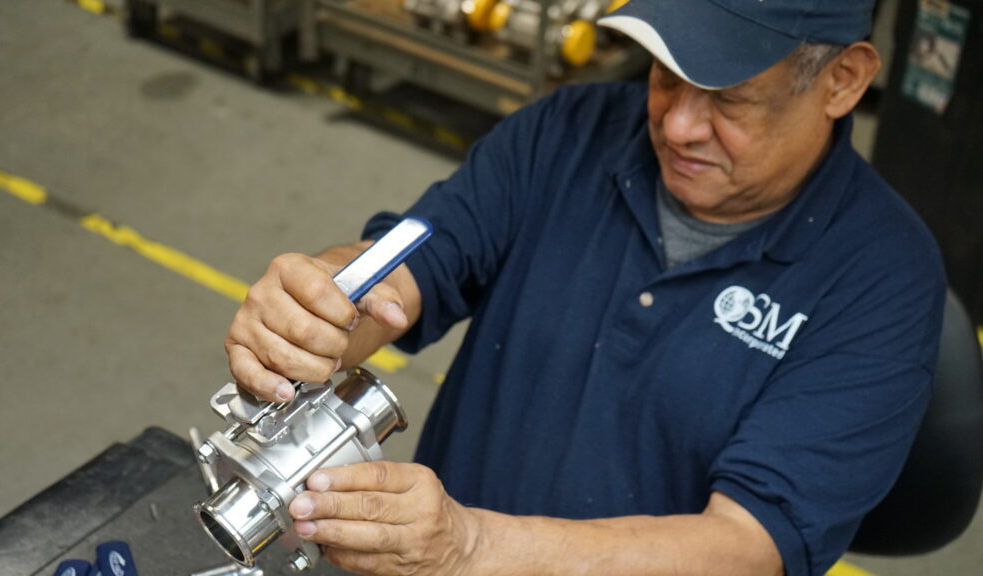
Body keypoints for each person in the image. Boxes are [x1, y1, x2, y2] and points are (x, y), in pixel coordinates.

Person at [224, 1, 946, 575]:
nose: (677, 123)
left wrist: (471, 550)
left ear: (843, 81)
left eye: (729, 98)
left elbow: (746, 549)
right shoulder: (568, 132)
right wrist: (319, 311)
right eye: (666, 73)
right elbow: (410, 267)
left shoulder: (883, 279)